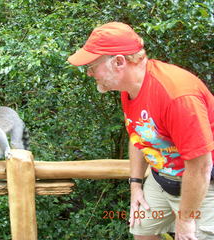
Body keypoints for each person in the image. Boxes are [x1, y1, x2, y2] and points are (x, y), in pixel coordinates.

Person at [68, 22, 214, 240]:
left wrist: (185, 219)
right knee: (142, 233)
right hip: (161, 178)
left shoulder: (177, 96)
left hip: (203, 184)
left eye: (92, 66)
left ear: (119, 62)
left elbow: (201, 165)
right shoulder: (129, 88)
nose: (89, 73)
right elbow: (139, 135)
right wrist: (136, 185)